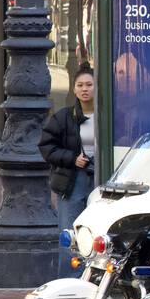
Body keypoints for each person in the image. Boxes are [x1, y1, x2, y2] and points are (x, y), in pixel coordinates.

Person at [39, 66, 98, 276]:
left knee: (97, 233)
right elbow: (46, 147)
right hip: (74, 180)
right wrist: (72, 159)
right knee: (70, 234)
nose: (85, 90)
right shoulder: (64, 117)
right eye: (80, 85)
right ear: (73, 90)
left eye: (89, 85)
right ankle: (70, 282)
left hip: (100, 180)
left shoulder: (109, 115)